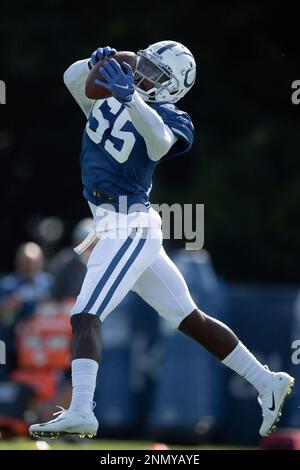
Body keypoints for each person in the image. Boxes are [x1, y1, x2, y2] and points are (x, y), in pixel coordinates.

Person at [29, 41, 294, 439]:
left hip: (129, 227)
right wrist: (94, 62)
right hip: (112, 225)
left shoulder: (170, 116)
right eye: (144, 66)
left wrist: (131, 97)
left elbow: (158, 142)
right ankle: (266, 381)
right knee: (190, 319)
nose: (143, 75)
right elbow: (71, 79)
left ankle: (82, 409)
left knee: (86, 314)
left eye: (156, 74)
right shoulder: (109, 100)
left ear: (174, 86)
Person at [48, 218, 94, 300]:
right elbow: (54, 292)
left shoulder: (104, 261)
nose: (88, 247)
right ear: (76, 241)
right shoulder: (63, 260)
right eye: (83, 242)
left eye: (92, 243)